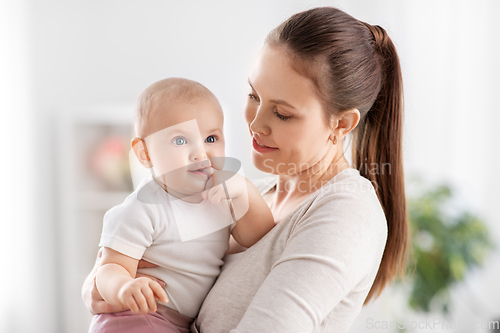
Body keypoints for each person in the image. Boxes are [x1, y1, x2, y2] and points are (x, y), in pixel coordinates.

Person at [83, 7, 409, 333]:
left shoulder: (347, 213)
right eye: (253, 95)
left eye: (282, 113)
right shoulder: (249, 193)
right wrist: (105, 287)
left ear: (341, 123)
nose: (255, 123)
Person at [88, 77, 275, 333]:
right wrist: (123, 287)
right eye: (180, 140)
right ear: (145, 153)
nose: (200, 153)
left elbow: (260, 238)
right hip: (135, 319)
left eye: (211, 139)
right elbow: (110, 268)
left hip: (178, 324)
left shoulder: (220, 195)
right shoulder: (143, 208)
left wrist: (246, 192)